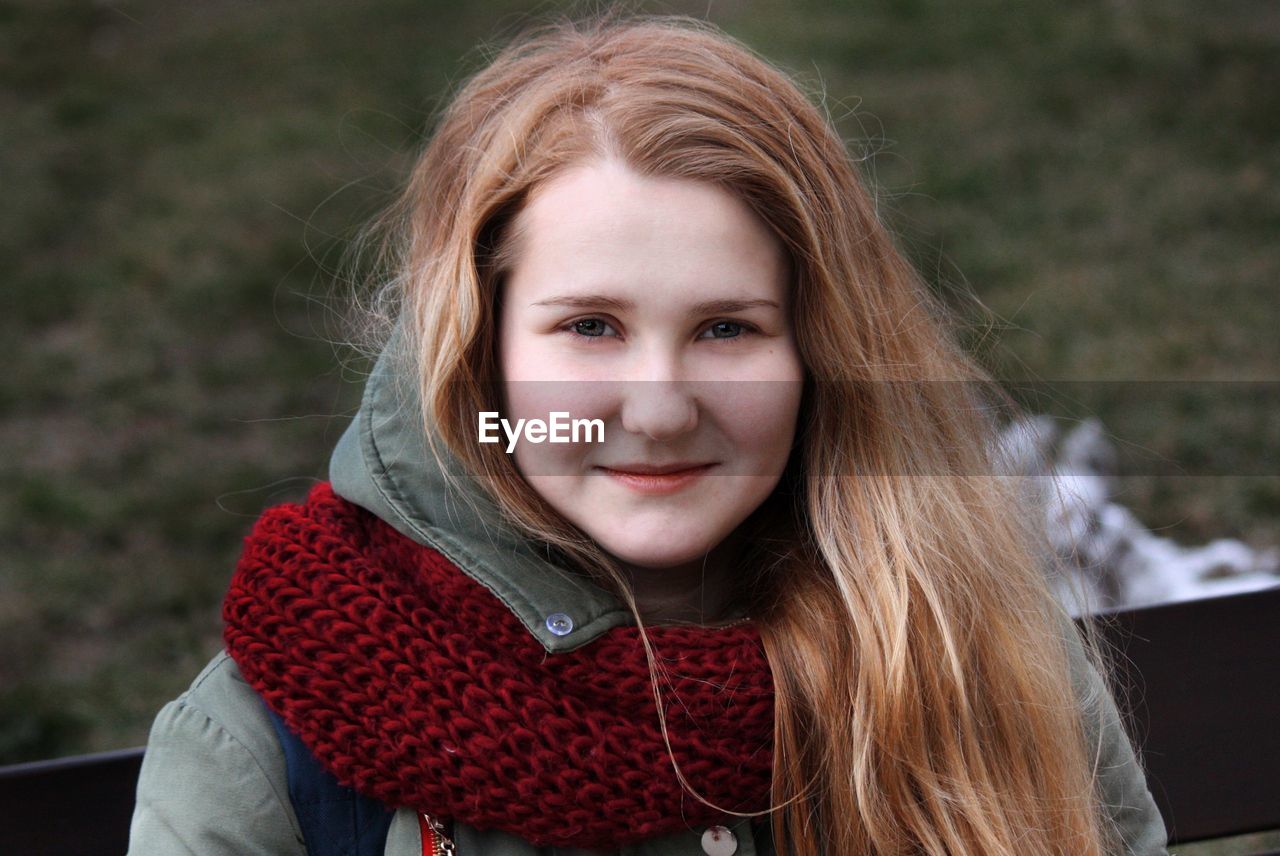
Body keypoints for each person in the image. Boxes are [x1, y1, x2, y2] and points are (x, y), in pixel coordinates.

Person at [127, 14, 1168, 856]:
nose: (660, 409)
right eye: (589, 327)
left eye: (727, 328)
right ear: (471, 350)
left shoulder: (967, 649)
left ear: (819, 350)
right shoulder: (273, 745)